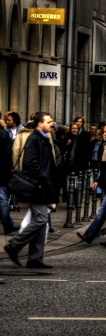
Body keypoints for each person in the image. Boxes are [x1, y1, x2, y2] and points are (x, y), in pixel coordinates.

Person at [4, 111, 57, 269]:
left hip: (44, 187)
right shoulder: (34, 139)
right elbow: (30, 164)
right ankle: (14, 244)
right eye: (48, 122)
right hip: (38, 187)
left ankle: (35, 258)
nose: (51, 124)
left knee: (41, 222)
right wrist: (44, 178)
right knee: (41, 219)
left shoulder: (44, 138)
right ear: (39, 124)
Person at [77, 123, 106, 244]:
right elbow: (105, 167)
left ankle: (89, 235)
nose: (104, 134)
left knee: (103, 211)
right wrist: (98, 181)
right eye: (104, 132)